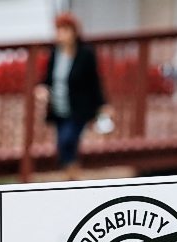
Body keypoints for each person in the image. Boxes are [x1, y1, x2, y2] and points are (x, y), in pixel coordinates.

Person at [36, 12, 113, 180]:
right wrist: (42, 88)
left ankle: (73, 177)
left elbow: (95, 81)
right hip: (59, 107)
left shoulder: (85, 54)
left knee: (68, 139)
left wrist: (104, 104)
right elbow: (47, 77)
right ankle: (71, 177)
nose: (60, 35)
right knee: (62, 146)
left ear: (73, 32)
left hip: (79, 108)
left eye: (64, 30)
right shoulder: (55, 53)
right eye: (58, 31)